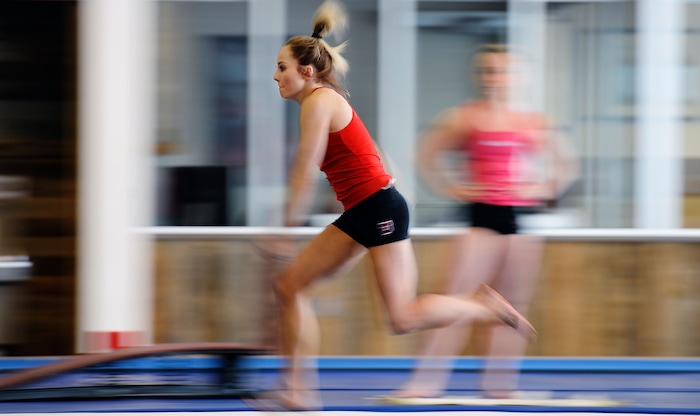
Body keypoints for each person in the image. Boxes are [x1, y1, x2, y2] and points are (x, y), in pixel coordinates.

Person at [265, 3, 538, 410]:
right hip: (368, 209)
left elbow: (304, 168)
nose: (275, 76)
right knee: (290, 286)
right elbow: (373, 155)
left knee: (403, 318)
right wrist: (385, 187)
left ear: (307, 71)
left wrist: (285, 229)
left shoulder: (319, 102)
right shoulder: (328, 100)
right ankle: (298, 393)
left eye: (282, 67)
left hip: (376, 210)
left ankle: (480, 306)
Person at [396, 44, 578, 400]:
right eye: (489, 71)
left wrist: (540, 187)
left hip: (520, 218)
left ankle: (500, 384)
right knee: (458, 298)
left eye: (504, 71)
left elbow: (566, 166)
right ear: (480, 76)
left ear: (520, 78)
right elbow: (424, 154)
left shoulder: (534, 122)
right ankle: (426, 380)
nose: (495, 79)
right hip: (481, 215)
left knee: (513, 304)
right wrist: (454, 186)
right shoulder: (464, 117)